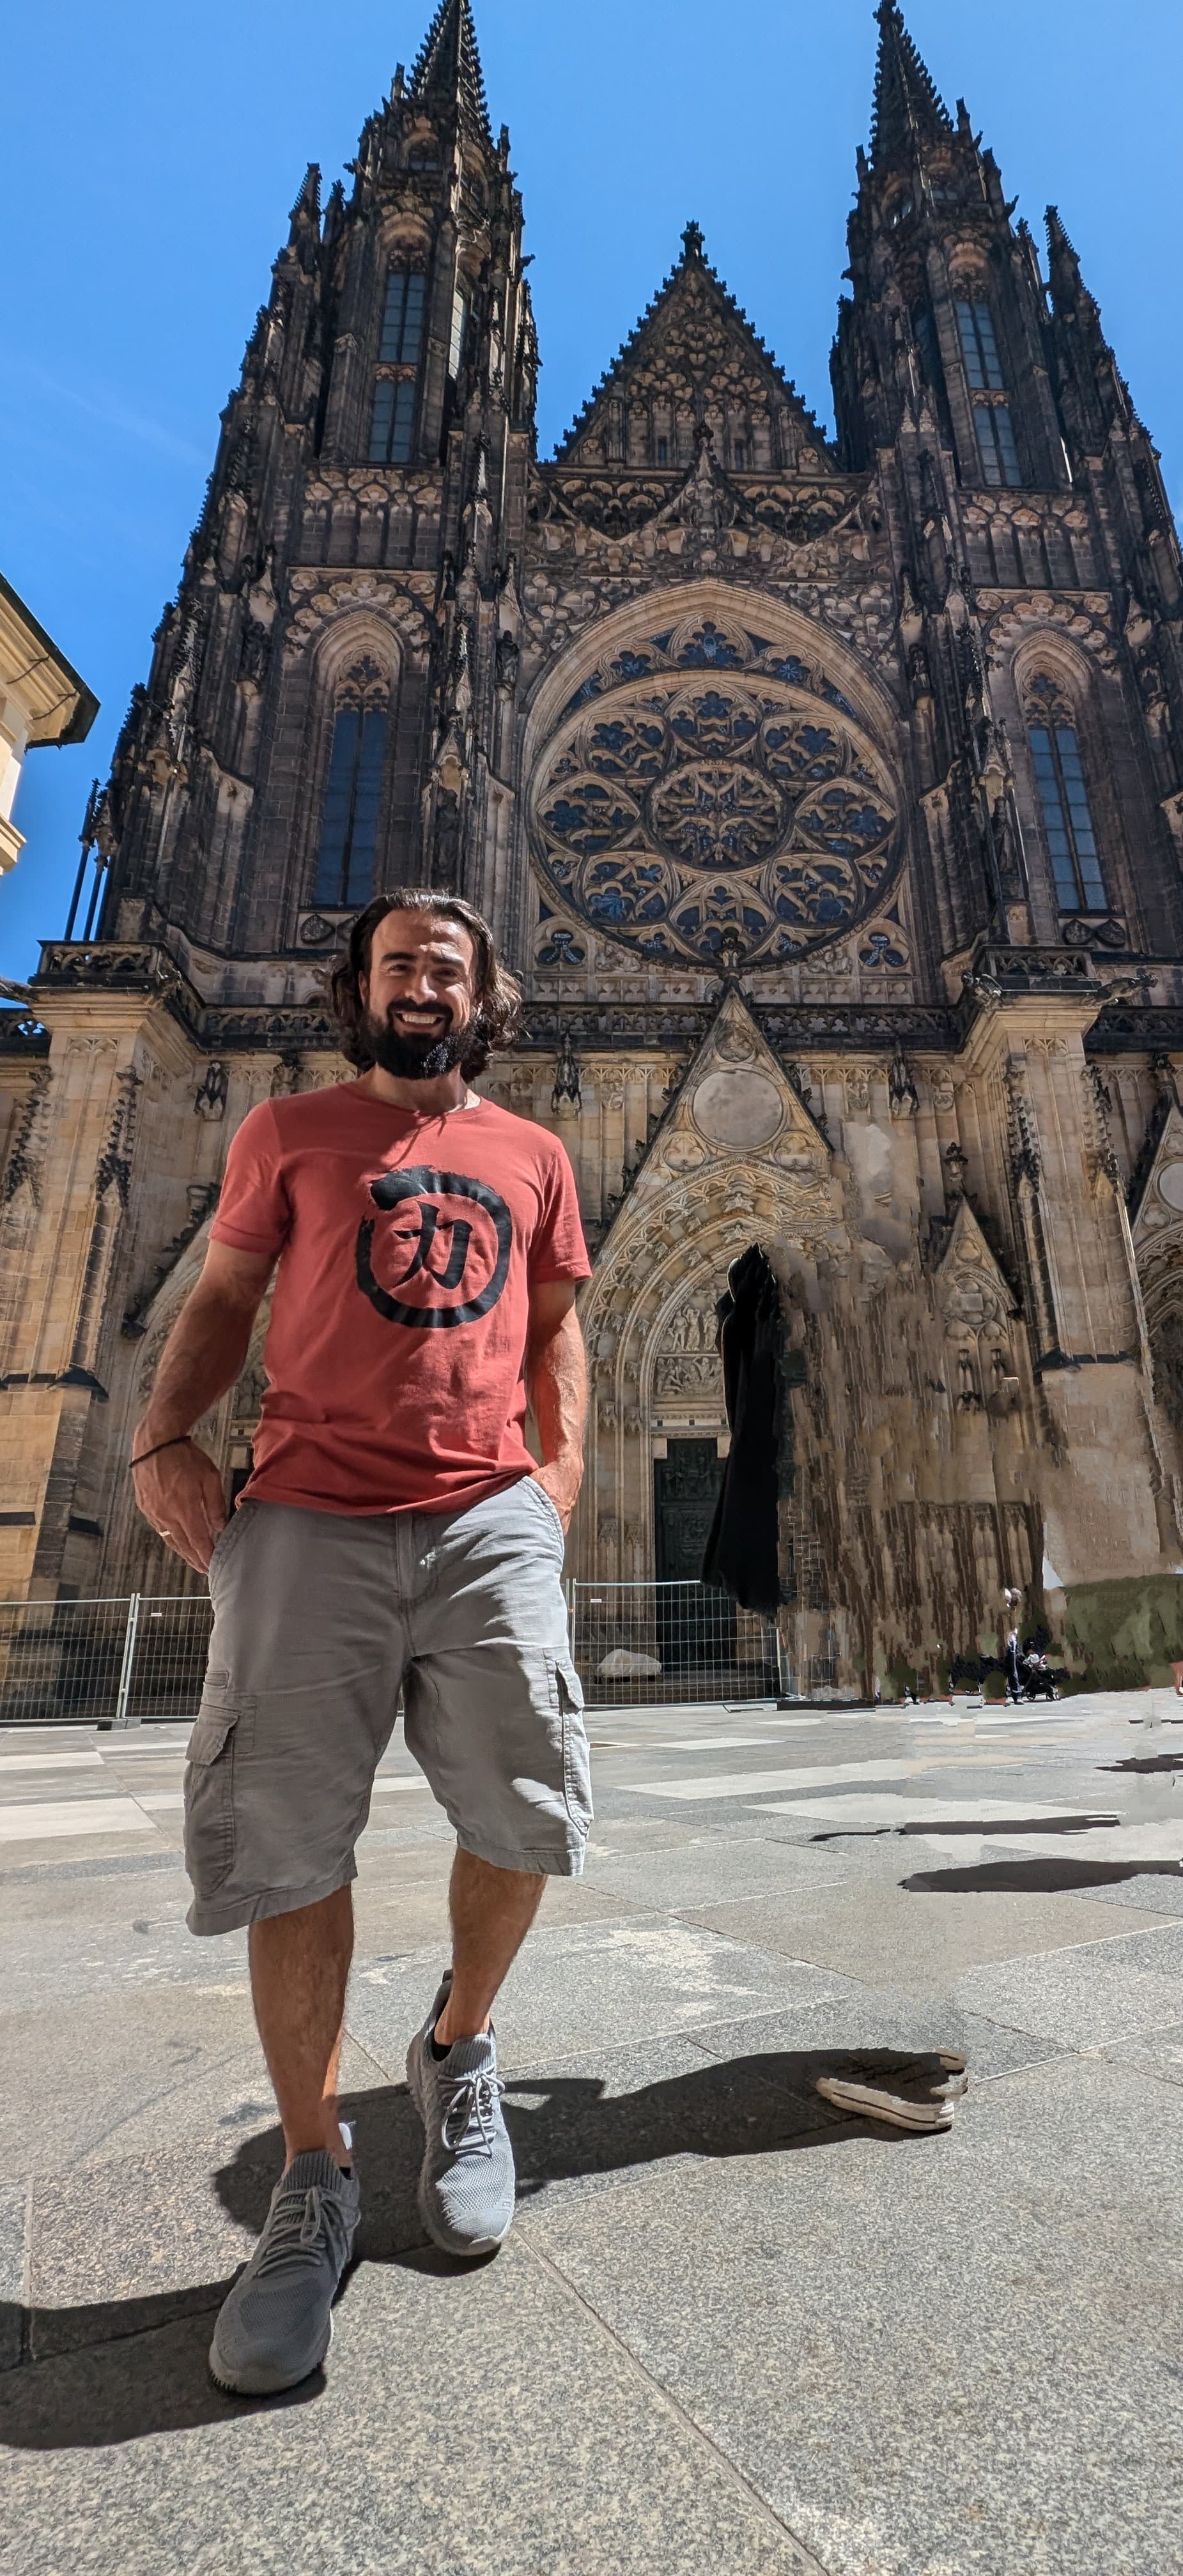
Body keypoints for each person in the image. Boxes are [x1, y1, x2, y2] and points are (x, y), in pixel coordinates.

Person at [130, 891, 592, 2398]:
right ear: (363, 984)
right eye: (399, 963)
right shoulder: (289, 1132)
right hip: (310, 1511)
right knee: (287, 1845)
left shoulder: (533, 1152)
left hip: (487, 1515)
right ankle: (314, 2174)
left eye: (446, 967)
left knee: (526, 1803)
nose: (421, 984)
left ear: (484, 994)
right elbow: (222, 1293)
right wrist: (159, 1440)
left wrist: (560, 1483)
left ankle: (456, 2053)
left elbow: (560, 1317)